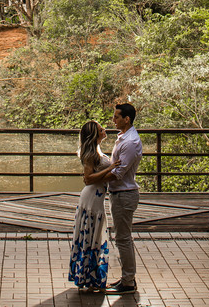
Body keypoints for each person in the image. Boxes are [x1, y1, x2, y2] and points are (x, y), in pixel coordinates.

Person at [69, 119, 116, 292]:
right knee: (93, 238)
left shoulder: (96, 151)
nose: (105, 130)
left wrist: (109, 174)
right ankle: (90, 279)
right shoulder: (89, 154)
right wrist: (110, 171)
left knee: (95, 238)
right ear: (94, 135)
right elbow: (88, 179)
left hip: (96, 199)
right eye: (101, 129)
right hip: (91, 201)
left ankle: (91, 278)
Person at [107, 102, 142, 294]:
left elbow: (118, 172)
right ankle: (126, 278)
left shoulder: (130, 142)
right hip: (119, 194)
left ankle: (128, 281)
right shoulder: (124, 138)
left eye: (116, 117)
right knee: (123, 237)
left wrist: (95, 178)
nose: (113, 119)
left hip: (124, 194)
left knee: (123, 238)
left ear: (126, 119)